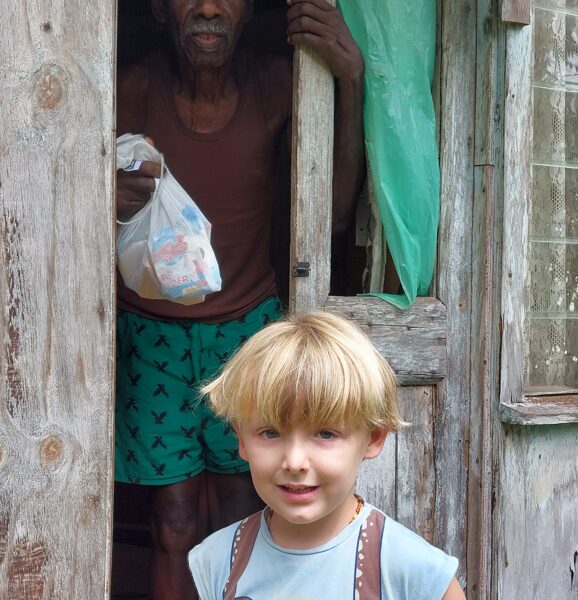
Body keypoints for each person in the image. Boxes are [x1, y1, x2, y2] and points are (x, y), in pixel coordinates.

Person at [114, 0, 365, 598]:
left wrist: (351, 80)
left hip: (247, 333)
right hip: (152, 335)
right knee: (173, 524)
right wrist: (107, 197)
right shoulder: (131, 88)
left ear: (251, 9)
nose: (208, 8)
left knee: (241, 514)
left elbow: (331, 211)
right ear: (159, 8)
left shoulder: (276, 85)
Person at [188, 311, 466, 599]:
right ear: (241, 438)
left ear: (373, 438)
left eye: (325, 434)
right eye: (270, 433)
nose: (294, 462)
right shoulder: (217, 561)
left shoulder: (416, 574)